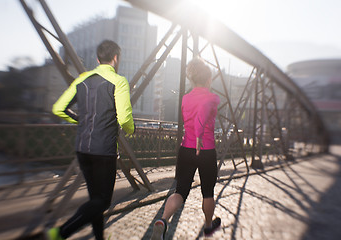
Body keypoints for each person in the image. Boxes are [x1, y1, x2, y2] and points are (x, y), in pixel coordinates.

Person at [48, 40, 134, 240]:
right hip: (103, 151)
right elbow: (124, 118)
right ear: (116, 58)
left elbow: (58, 108)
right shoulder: (119, 81)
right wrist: (131, 130)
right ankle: (60, 233)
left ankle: (99, 238)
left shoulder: (82, 80)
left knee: (95, 199)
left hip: (82, 149)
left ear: (97, 59)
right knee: (103, 202)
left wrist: (79, 120)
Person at [151, 58, 221, 239]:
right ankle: (207, 226)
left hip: (186, 149)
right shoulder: (213, 98)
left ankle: (163, 220)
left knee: (180, 191)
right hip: (205, 150)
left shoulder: (185, 98)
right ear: (208, 80)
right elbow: (203, 114)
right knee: (208, 192)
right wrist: (199, 135)